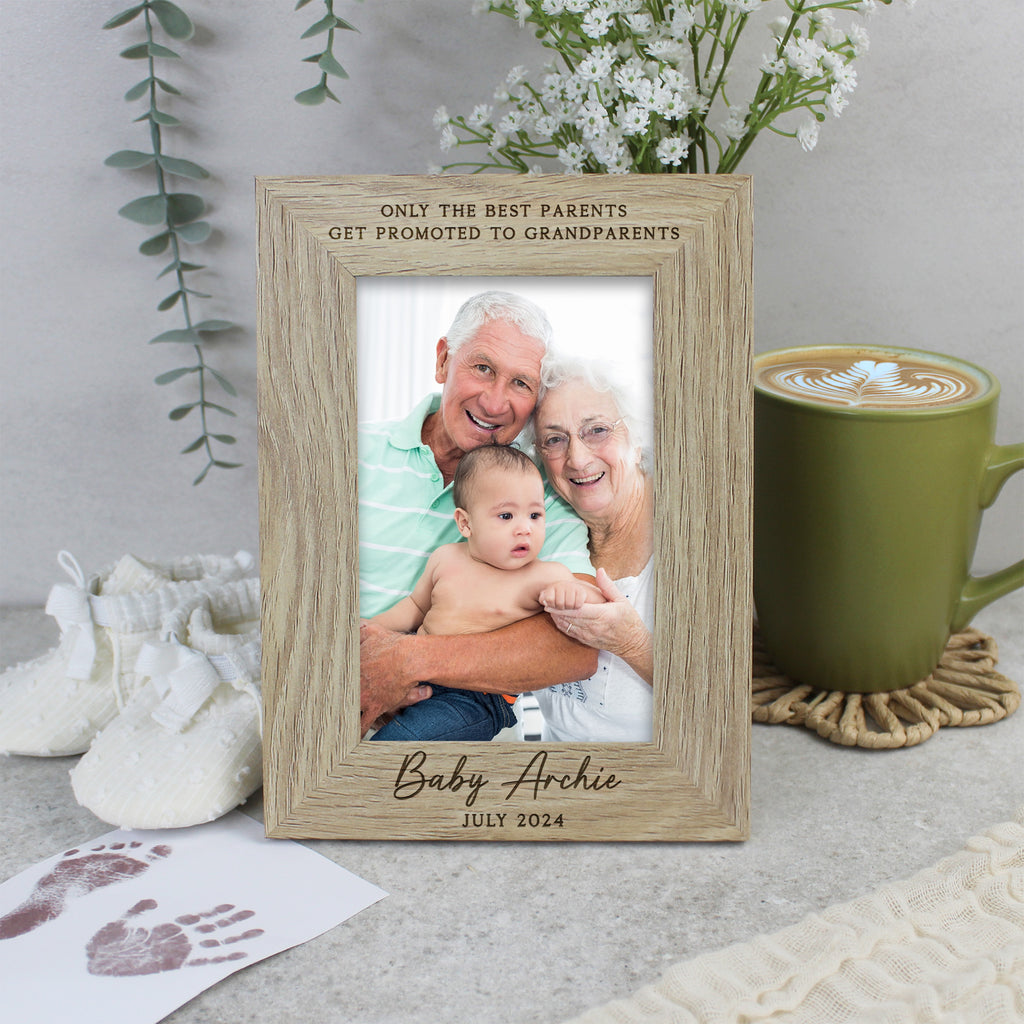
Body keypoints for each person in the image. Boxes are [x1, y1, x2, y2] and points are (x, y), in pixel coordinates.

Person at [358, 291, 598, 735]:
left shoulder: (541, 498)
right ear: (444, 360)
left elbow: (578, 648)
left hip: (453, 705)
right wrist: (350, 667)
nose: (494, 402)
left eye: (521, 383)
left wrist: (398, 665)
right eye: (483, 367)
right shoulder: (348, 451)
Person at [367, 445, 603, 740]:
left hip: (475, 698)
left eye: (534, 515)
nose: (525, 529)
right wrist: (371, 628)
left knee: (399, 742)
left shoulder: (544, 575)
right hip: (418, 675)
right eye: (506, 516)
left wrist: (573, 594)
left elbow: (594, 607)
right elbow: (415, 607)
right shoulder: (446, 558)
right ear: (466, 523)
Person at [530, 358, 656, 742]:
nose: (578, 458)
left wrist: (633, 644)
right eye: (555, 439)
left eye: (597, 430)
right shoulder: (540, 532)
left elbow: (722, 696)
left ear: (636, 438)